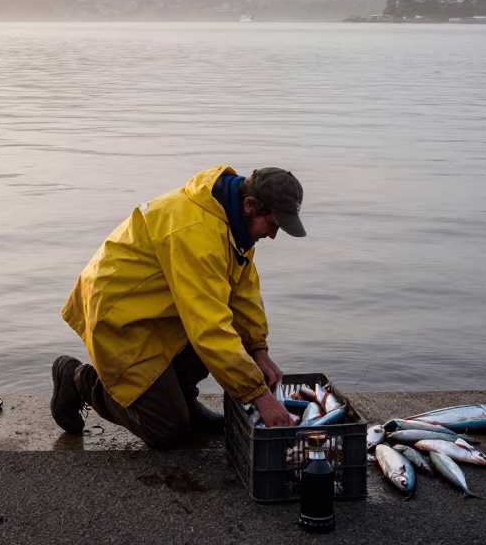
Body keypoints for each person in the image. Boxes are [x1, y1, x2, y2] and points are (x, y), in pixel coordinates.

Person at [52, 166, 305, 449]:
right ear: (250, 205)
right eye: (273, 224)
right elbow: (209, 329)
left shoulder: (232, 223)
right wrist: (259, 395)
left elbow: (243, 291)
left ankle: (183, 397)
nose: (273, 235)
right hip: (121, 316)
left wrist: (259, 349)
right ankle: (79, 380)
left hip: (160, 309)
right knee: (167, 431)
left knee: (228, 335)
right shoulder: (197, 234)